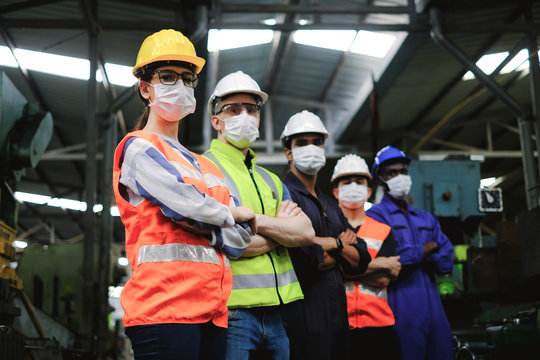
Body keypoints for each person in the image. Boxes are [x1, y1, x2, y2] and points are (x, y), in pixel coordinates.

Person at [112, 29, 256, 360]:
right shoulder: (138, 148)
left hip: (213, 313)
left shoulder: (205, 165)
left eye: (187, 78)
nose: (180, 85)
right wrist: (227, 215)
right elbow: (188, 206)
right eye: (167, 77)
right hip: (163, 309)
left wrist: (206, 218)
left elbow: (240, 240)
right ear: (145, 88)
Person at [204, 71, 315, 360]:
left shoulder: (271, 180)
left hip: (279, 312)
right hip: (233, 311)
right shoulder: (204, 170)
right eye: (234, 109)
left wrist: (253, 220)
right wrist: (281, 234)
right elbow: (228, 242)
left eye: (251, 109)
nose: (245, 115)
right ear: (217, 121)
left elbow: (305, 233)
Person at [280, 111, 372, 360]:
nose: (311, 148)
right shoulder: (284, 195)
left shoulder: (329, 203)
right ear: (288, 151)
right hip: (304, 318)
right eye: (302, 143)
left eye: (316, 142)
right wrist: (342, 245)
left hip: (338, 318)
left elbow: (361, 259)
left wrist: (331, 244)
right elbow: (308, 259)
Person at [366, 145, 454, 360]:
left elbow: (446, 262)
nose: (399, 177)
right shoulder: (375, 217)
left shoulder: (425, 218)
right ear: (380, 179)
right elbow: (389, 261)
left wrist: (418, 254)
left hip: (434, 306)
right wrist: (426, 247)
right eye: (392, 173)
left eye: (403, 172)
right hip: (400, 304)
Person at [330, 154, 401, 360]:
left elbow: (385, 278)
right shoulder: (329, 230)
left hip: (379, 326)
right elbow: (326, 272)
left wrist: (344, 269)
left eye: (359, 182)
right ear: (336, 191)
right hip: (339, 324)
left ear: (368, 191)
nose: (353, 186)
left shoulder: (384, 230)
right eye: (347, 182)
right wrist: (379, 264)